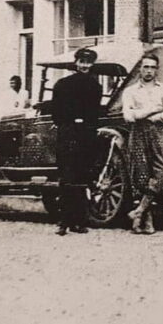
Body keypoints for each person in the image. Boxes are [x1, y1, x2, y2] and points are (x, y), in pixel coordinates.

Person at [122, 52, 163, 235]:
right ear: (140, 68)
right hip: (137, 133)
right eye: (146, 67)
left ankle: (138, 211)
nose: (149, 71)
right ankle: (146, 221)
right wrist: (153, 110)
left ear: (157, 70)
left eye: (153, 67)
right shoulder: (130, 91)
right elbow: (128, 116)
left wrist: (142, 113)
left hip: (159, 132)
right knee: (141, 176)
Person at [51, 47, 102, 236]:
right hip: (68, 133)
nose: (84, 66)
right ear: (76, 63)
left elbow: (94, 113)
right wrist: (69, 124)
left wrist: (86, 127)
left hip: (86, 135)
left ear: (92, 64)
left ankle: (79, 221)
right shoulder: (63, 84)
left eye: (88, 63)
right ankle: (64, 221)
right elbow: (56, 112)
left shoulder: (95, 87)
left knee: (82, 178)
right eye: (81, 62)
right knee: (66, 178)